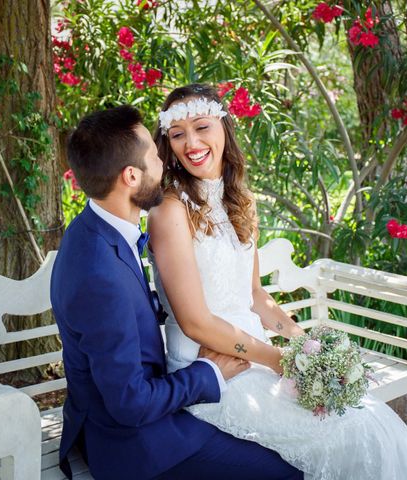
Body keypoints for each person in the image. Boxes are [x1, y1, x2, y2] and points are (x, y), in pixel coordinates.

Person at [148, 84, 407, 480]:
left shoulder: (240, 200)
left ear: (224, 129)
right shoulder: (169, 211)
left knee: (370, 418)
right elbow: (196, 322)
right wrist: (282, 362)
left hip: (255, 356)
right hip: (211, 368)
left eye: (201, 127)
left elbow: (254, 295)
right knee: (350, 431)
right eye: (177, 134)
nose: (191, 143)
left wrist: (306, 347)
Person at [50, 105, 304, 480]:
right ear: (132, 176)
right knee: (289, 470)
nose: (165, 162)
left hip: (147, 413)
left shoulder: (96, 229)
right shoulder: (99, 272)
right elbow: (129, 404)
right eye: (155, 156)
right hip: (131, 444)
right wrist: (208, 372)